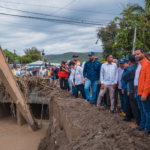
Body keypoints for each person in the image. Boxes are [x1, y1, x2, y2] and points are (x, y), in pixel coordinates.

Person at [134, 48, 150, 135]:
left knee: (147, 110)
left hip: (144, 92)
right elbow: (137, 80)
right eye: (135, 54)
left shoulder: (147, 64)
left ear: (143, 53)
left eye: (138, 54)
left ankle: (148, 128)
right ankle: (142, 125)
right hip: (138, 91)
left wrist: (145, 93)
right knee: (141, 109)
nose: (136, 56)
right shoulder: (139, 65)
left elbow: (148, 81)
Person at [122, 54, 141, 128]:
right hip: (138, 89)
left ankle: (138, 123)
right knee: (139, 107)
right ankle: (139, 122)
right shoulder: (138, 66)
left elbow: (124, 77)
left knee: (134, 107)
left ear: (129, 62)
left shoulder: (131, 69)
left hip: (132, 90)